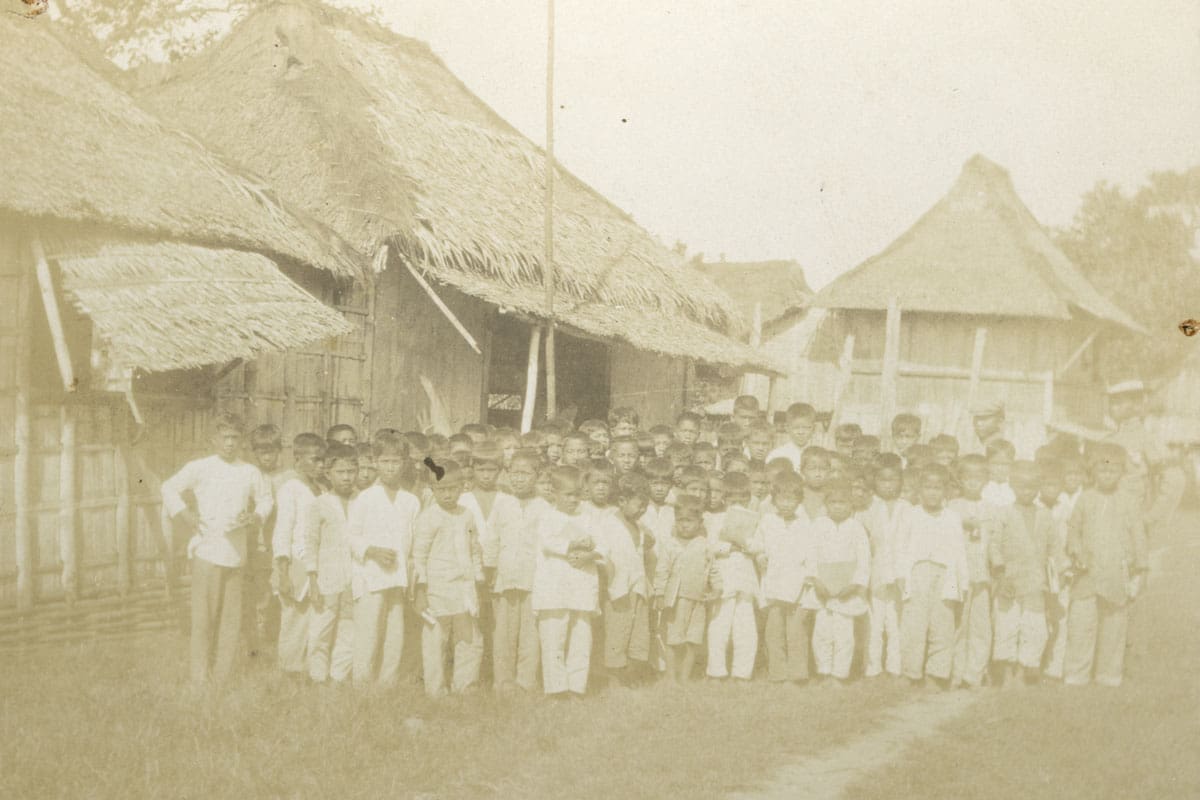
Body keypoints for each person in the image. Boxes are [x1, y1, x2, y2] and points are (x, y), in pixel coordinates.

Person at [161, 412, 273, 686]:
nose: (230, 444)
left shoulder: (249, 471)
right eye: (225, 438)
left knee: (230, 622)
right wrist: (187, 516)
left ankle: (221, 679)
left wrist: (255, 517)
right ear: (213, 440)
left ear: (241, 441)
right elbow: (168, 488)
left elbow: (266, 498)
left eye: (235, 438)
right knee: (203, 620)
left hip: (236, 555)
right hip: (207, 552)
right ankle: (199, 680)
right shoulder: (200, 467)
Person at [1063, 443, 1146, 687]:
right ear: (1093, 472)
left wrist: (1140, 567)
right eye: (1102, 471)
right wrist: (1076, 550)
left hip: (1116, 572)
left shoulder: (1129, 501)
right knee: (1082, 624)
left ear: (1122, 473)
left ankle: (1108, 674)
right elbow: (1073, 529)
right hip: (1087, 572)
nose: (1107, 476)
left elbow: (1138, 535)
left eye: (1113, 471)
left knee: (1114, 625)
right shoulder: (1085, 499)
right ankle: (1077, 673)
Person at [346, 432, 421, 687]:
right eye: (385, 461)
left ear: (404, 463)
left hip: (398, 577)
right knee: (368, 632)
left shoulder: (410, 501)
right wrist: (372, 551)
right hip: (370, 575)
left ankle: (387, 684)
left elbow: (413, 542)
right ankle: (362, 684)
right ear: (376, 462)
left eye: (396, 462)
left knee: (394, 633)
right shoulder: (365, 498)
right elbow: (351, 536)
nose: (391, 467)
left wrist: (412, 573)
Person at [533, 466, 610, 697]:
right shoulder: (547, 516)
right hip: (554, 588)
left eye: (577, 494)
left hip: (582, 585)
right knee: (553, 638)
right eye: (567, 494)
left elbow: (604, 545)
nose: (573, 499)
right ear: (553, 493)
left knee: (581, 638)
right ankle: (556, 688)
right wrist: (577, 545)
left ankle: (577, 686)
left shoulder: (588, 518)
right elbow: (549, 542)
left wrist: (591, 555)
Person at [412, 461, 484, 697]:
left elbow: (474, 550)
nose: (447, 494)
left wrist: (478, 579)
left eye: (452, 488)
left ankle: (465, 685)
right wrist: (421, 591)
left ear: (462, 487)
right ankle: (435, 689)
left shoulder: (467, 515)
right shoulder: (429, 517)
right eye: (441, 489)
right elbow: (419, 557)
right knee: (436, 640)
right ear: (432, 489)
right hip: (437, 588)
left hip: (464, 587)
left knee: (469, 638)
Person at [896, 465, 969, 687]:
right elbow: (900, 546)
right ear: (919, 490)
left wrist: (962, 581)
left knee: (942, 626)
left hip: (945, 576)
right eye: (927, 487)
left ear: (946, 491)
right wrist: (901, 574)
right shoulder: (911, 514)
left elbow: (959, 551)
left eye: (938, 488)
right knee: (914, 625)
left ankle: (935, 675)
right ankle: (911, 673)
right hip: (917, 573)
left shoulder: (952, 517)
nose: (932, 493)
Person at [485, 450, 548, 693]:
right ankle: (503, 683)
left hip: (533, 580)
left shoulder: (544, 507)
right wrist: (489, 569)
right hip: (505, 578)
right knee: (503, 635)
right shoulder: (502, 505)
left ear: (537, 475)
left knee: (530, 635)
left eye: (525, 473)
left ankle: (526, 683)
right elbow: (491, 538)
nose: (519, 479)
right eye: (515, 473)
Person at [989, 461, 1055, 686]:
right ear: (1012, 486)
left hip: (1036, 581)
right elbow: (994, 545)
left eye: (1031, 487)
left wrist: (1057, 574)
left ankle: (1026, 670)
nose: (1026, 492)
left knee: (1034, 627)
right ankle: (1007, 671)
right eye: (1021, 486)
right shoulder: (1004, 513)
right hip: (1009, 580)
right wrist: (1000, 574)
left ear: (1038, 487)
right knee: (1007, 625)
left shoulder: (1045, 515)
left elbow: (1054, 548)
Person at [272, 433, 327, 678]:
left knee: (313, 619)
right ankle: (289, 670)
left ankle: (309, 670)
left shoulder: (322, 488)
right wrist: (283, 572)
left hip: (317, 561)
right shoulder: (290, 488)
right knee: (294, 618)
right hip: (295, 560)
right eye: (314, 460)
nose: (320, 465)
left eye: (323, 460)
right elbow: (283, 530)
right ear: (298, 459)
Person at [803, 479, 870, 683]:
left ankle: (839, 674)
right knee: (822, 633)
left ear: (851, 505)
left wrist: (855, 585)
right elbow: (810, 554)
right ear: (826, 504)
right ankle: (823, 671)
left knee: (844, 634)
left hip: (846, 590)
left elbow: (864, 559)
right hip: (822, 587)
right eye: (833, 502)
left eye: (843, 502)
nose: (838, 507)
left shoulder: (856, 527)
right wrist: (816, 581)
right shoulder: (818, 525)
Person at [302, 442, 357, 684]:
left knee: (349, 628)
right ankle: (317, 676)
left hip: (355, 577)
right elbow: (311, 543)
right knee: (319, 631)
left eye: (351, 471)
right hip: (326, 577)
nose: (347, 477)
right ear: (328, 474)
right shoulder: (320, 504)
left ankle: (338, 676)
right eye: (341, 472)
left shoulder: (363, 501)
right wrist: (312, 579)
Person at [653, 494, 720, 683]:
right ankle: (671, 677)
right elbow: (662, 571)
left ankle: (685, 678)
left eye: (689, 521)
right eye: (680, 520)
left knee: (693, 640)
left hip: (698, 600)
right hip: (676, 600)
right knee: (674, 639)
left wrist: (717, 589)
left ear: (699, 522)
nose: (684, 525)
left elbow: (713, 570)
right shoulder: (670, 544)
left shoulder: (704, 545)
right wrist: (659, 593)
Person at [705, 473, 762, 681]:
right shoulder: (716, 519)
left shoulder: (754, 520)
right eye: (732, 501)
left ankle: (742, 672)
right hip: (724, 576)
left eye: (742, 501)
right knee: (719, 624)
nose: (737, 505)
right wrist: (729, 545)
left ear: (748, 500)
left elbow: (759, 545)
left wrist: (746, 544)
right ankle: (716, 670)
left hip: (745, 578)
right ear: (724, 499)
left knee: (745, 625)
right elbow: (710, 546)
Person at [757, 472, 812, 684]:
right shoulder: (768, 521)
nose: (787, 504)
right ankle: (777, 673)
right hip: (773, 583)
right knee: (774, 631)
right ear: (774, 499)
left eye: (792, 499)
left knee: (796, 631)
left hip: (798, 584)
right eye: (782, 499)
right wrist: (760, 555)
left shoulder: (805, 524)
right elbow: (758, 543)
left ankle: (798, 674)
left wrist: (809, 576)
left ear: (799, 500)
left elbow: (812, 552)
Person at [947, 455, 995, 689]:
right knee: (958, 624)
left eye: (978, 477)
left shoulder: (990, 509)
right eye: (967, 477)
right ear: (960, 479)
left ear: (986, 479)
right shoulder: (952, 507)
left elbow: (994, 542)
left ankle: (974, 673)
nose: (973, 482)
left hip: (982, 574)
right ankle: (956, 671)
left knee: (980, 624)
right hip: (959, 574)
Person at [859, 454, 908, 679]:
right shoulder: (868, 509)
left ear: (901, 481)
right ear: (874, 481)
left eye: (893, 480)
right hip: (876, 573)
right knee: (875, 621)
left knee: (896, 622)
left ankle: (895, 665)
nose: (888, 485)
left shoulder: (907, 508)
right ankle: (873, 666)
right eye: (882, 480)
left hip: (900, 573)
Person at [602, 473, 654, 685]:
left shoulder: (640, 527)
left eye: (645, 506)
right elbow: (603, 556)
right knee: (617, 631)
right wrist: (610, 584)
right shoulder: (608, 523)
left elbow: (645, 546)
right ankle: (615, 676)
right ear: (622, 501)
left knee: (638, 631)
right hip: (618, 588)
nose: (642, 510)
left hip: (638, 586)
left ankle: (634, 675)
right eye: (638, 505)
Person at [245, 424, 284, 659]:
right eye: (261, 452)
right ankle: (256, 641)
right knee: (259, 593)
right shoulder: (251, 477)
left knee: (277, 593)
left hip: (278, 545)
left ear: (279, 451)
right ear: (254, 453)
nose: (266, 456)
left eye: (271, 451)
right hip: (257, 546)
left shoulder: (286, 479)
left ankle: (275, 636)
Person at [767, 403, 817, 471]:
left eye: (806, 428)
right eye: (796, 428)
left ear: (814, 429)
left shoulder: (818, 455)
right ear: (787, 428)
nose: (801, 432)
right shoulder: (777, 454)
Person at [982, 439, 1017, 507]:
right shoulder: (983, 485)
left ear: (1012, 463)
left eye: (1005, 464)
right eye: (995, 463)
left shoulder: (1014, 486)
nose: (1000, 469)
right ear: (987, 463)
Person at [799, 447, 831, 520]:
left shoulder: (831, 494)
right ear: (802, 470)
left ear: (829, 471)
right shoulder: (797, 493)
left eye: (823, 469)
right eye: (812, 469)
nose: (818, 474)